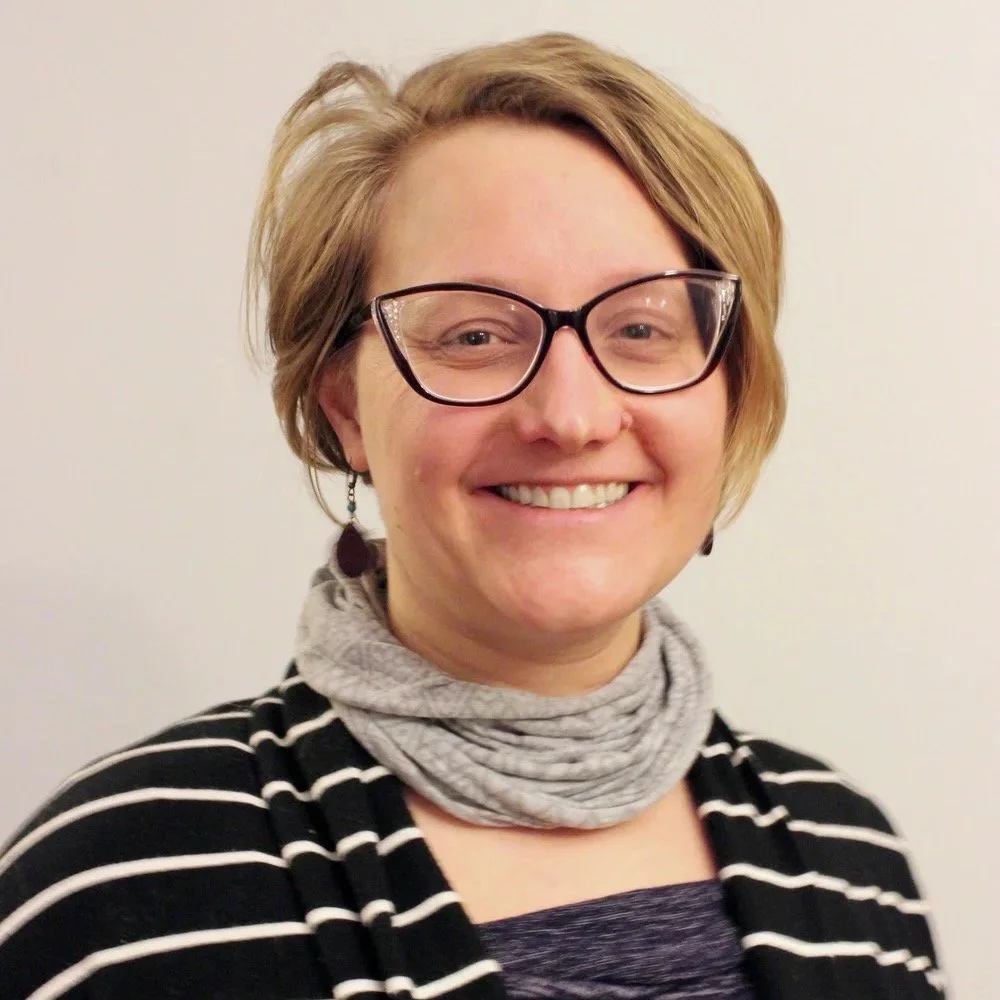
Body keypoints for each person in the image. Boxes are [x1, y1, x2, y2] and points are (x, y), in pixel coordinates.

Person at [0, 32, 945, 1000]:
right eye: (476, 334)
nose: (571, 417)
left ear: (729, 390)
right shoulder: (109, 894)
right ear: (345, 408)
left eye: (641, 327)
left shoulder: (851, 860)